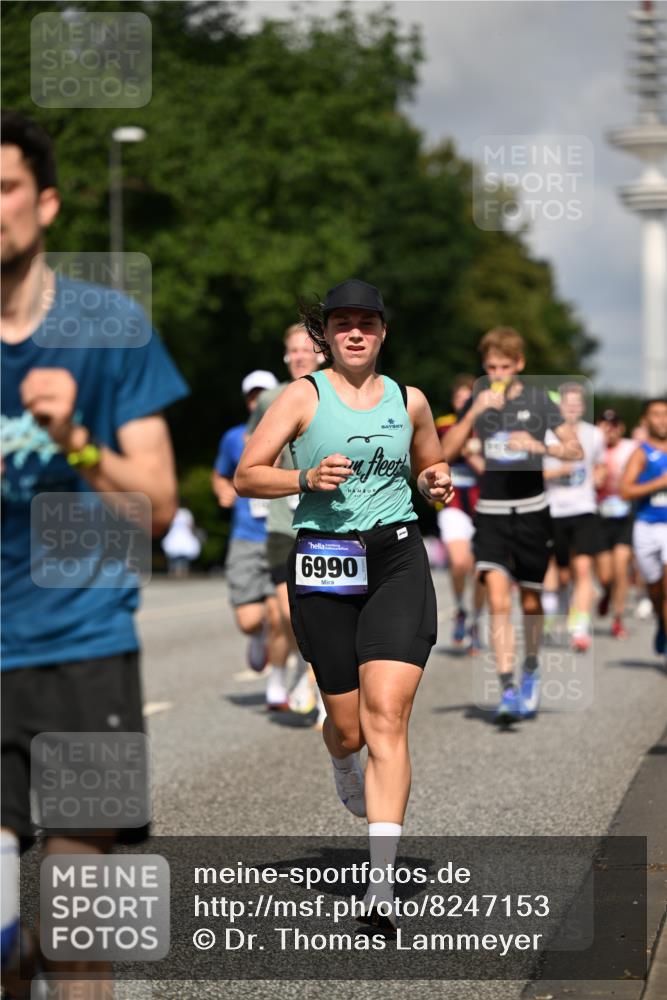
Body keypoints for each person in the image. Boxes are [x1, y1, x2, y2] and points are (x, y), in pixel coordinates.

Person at [1, 112, 188, 997]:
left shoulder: (107, 326)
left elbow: (154, 509)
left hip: (84, 651)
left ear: (45, 205)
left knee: (82, 927)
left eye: (3, 189)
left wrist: (75, 437)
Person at [235, 279, 453, 929]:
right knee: (351, 727)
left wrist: (435, 483)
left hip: (395, 558)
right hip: (323, 560)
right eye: (342, 324)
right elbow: (247, 473)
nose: (354, 333)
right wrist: (303, 476)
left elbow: (430, 470)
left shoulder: (409, 401)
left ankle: (379, 890)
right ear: (324, 335)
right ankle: (338, 756)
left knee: (387, 715)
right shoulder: (300, 398)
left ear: (383, 332)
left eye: (367, 322)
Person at [442, 328, 582, 723]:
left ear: (519, 364)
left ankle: (531, 668)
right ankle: (506, 687)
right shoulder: (478, 399)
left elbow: (575, 449)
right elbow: (446, 453)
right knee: (499, 601)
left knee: (531, 601)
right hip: (491, 512)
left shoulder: (540, 400)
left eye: (504, 366)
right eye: (490, 367)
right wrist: (471, 412)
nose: (497, 373)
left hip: (532, 512)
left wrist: (540, 446)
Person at [245, 326, 325, 719]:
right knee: (287, 612)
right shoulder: (272, 399)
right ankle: (304, 669)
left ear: (322, 354)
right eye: (292, 351)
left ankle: (312, 677)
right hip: (282, 521)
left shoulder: (336, 394)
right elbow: (252, 450)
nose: (299, 357)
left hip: (326, 523)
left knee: (320, 613)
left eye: (306, 350)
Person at [212, 370, 282, 677]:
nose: (259, 401)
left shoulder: (292, 430)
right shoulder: (232, 438)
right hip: (246, 535)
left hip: (282, 532)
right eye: (253, 396)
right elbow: (220, 474)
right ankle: (258, 637)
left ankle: (280, 681)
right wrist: (222, 490)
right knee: (250, 619)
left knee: (281, 613)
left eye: (264, 395)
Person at [542, 383, 605, 652]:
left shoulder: (594, 435)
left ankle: (579, 629)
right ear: (559, 407)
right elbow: (535, 476)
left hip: (584, 508)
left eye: (577, 404)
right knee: (556, 570)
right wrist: (560, 471)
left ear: (583, 407)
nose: (572, 408)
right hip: (553, 508)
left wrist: (599, 476)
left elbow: (599, 465)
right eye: (567, 403)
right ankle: (551, 613)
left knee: (582, 568)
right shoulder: (546, 436)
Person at [435, 375, 485, 652]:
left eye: (470, 399)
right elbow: (437, 455)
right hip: (453, 502)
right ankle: (461, 608)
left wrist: (476, 457)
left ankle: (476, 620)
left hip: (484, 504)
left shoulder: (489, 427)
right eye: (460, 399)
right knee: (459, 561)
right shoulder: (443, 425)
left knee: (482, 572)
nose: (464, 403)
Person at [620, 397, 667, 661]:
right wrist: (659, 483)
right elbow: (625, 491)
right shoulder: (641, 453)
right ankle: (661, 621)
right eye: (657, 415)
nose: (662, 420)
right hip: (647, 525)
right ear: (645, 420)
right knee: (655, 587)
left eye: (666, 414)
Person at [594, 409, 637, 638]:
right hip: (599, 516)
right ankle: (607, 593)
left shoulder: (631, 449)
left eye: (614, 425)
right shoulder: (591, 447)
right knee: (605, 575)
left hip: (626, 515)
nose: (609, 430)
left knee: (621, 566)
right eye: (604, 425)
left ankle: (618, 618)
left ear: (621, 427)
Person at [161, 505, 202, 577]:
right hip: (184, 535)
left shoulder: (174, 511)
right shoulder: (186, 513)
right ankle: (182, 571)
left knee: (174, 556)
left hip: (175, 535)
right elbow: (190, 525)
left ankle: (174, 571)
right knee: (183, 557)